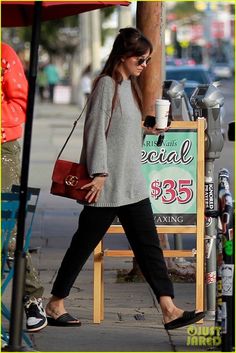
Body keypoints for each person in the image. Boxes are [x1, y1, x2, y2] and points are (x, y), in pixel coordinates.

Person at [46, 27, 205, 330]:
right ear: (123, 56)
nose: (144, 65)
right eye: (141, 59)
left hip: (131, 184)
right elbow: (95, 131)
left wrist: (149, 129)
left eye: (146, 60)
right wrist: (100, 173)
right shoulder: (106, 85)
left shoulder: (127, 86)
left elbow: (122, 132)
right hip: (106, 187)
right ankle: (55, 304)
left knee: (149, 248)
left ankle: (169, 308)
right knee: (82, 246)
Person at [1, 42, 47, 332]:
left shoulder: (4, 54)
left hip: (2, 146)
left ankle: (31, 298)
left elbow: (20, 102)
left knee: (8, 230)